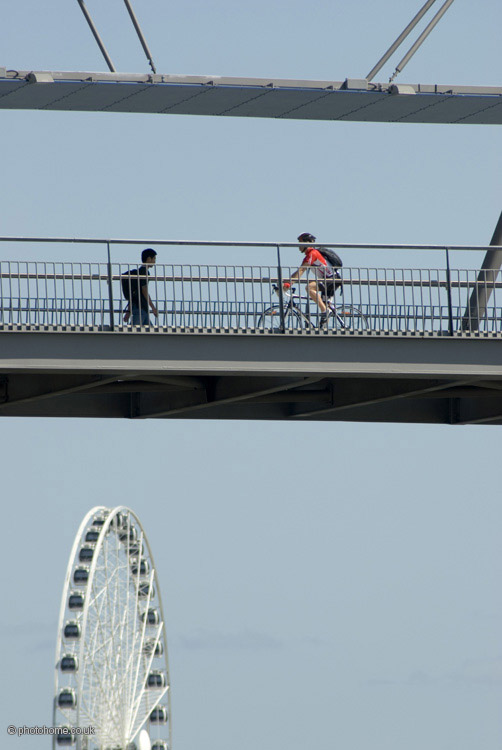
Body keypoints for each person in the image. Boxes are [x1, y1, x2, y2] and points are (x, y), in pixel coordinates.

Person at [283, 232, 339, 326]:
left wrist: (289, 284)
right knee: (325, 307)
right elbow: (299, 271)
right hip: (329, 280)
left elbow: (301, 270)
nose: (298, 246)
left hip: (332, 280)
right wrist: (287, 282)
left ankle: (324, 311)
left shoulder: (312, 254)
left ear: (307, 243)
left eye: (300, 243)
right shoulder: (310, 255)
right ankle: (324, 329)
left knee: (309, 288)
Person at [122, 248, 159, 325]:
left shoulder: (140, 272)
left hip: (142, 310)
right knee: (133, 332)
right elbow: (144, 290)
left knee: (151, 333)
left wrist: (128, 312)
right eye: (154, 259)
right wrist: (153, 308)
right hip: (140, 309)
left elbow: (135, 293)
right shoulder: (144, 272)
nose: (155, 262)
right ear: (149, 259)